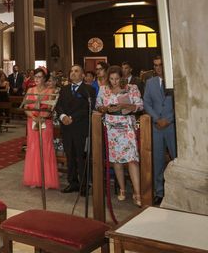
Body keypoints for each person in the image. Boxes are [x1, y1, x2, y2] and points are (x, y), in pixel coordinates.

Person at [96, 65, 143, 206]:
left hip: (127, 125)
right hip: (111, 126)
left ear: (121, 77)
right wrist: (104, 108)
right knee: (116, 159)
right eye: (111, 79)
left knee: (132, 158)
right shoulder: (104, 89)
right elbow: (98, 105)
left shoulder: (131, 88)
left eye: (117, 78)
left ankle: (137, 192)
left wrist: (125, 106)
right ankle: (122, 189)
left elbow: (140, 105)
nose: (114, 81)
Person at [56, 64, 95, 195]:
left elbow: (87, 108)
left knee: (81, 157)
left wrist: (72, 117)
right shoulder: (64, 89)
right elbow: (59, 105)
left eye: (76, 71)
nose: (73, 73)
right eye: (71, 71)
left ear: (83, 75)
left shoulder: (88, 89)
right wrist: (62, 116)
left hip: (80, 127)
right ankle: (72, 183)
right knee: (70, 156)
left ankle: (84, 185)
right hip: (66, 127)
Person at [143, 56, 176, 205]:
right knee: (157, 160)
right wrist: (157, 119)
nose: (158, 68)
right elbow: (147, 103)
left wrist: (168, 120)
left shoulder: (175, 80)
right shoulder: (150, 83)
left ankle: (176, 190)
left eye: (161, 65)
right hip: (156, 127)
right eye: (155, 65)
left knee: (176, 159)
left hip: (172, 126)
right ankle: (159, 191)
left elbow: (180, 102)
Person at [22, 67, 59, 189]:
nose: (36, 79)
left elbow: (50, 109)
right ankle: (34, 178)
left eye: (39, 77)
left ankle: (46, 180)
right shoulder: (30, 90)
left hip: (45, 122)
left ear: (45, 78)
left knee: (45, 148)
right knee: (33, 148)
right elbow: (26, 108)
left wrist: (42, 117)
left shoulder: (50, 91)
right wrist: (33, 117)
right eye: (35, 77)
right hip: (32, 121)